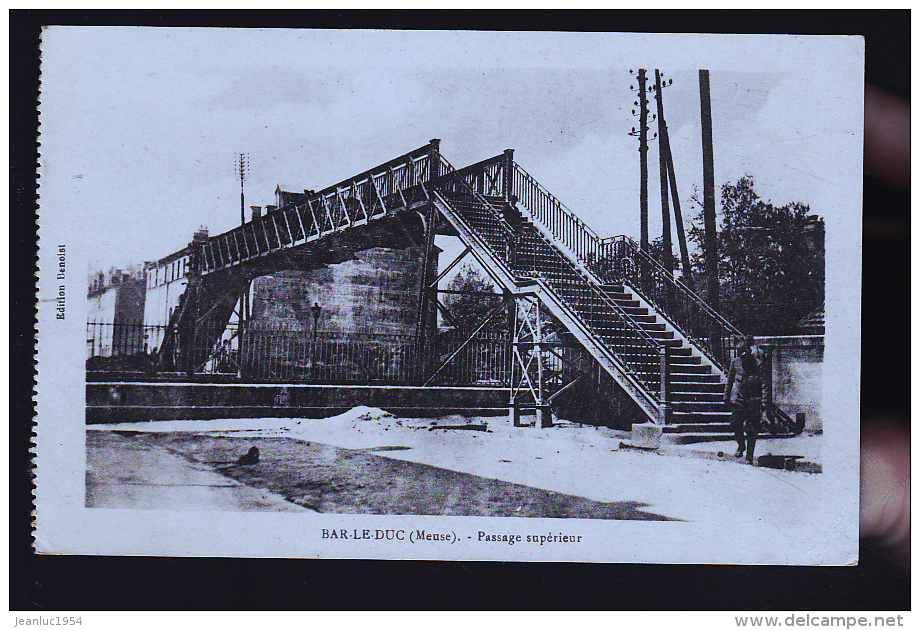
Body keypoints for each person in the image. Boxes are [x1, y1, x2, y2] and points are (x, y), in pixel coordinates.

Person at [724, 334, 767, 464]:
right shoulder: (735, 363)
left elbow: (764, 384)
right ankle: (741, 445)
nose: (744, 355)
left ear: (750, 351)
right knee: (734, 424)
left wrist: (764, 402)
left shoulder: (758, 364)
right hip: (739, 400)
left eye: (746, 352)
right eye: (741, 353)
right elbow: (730, 381)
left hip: (753, 401)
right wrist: (726, 397)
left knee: (752, 429)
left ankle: (749, 456)